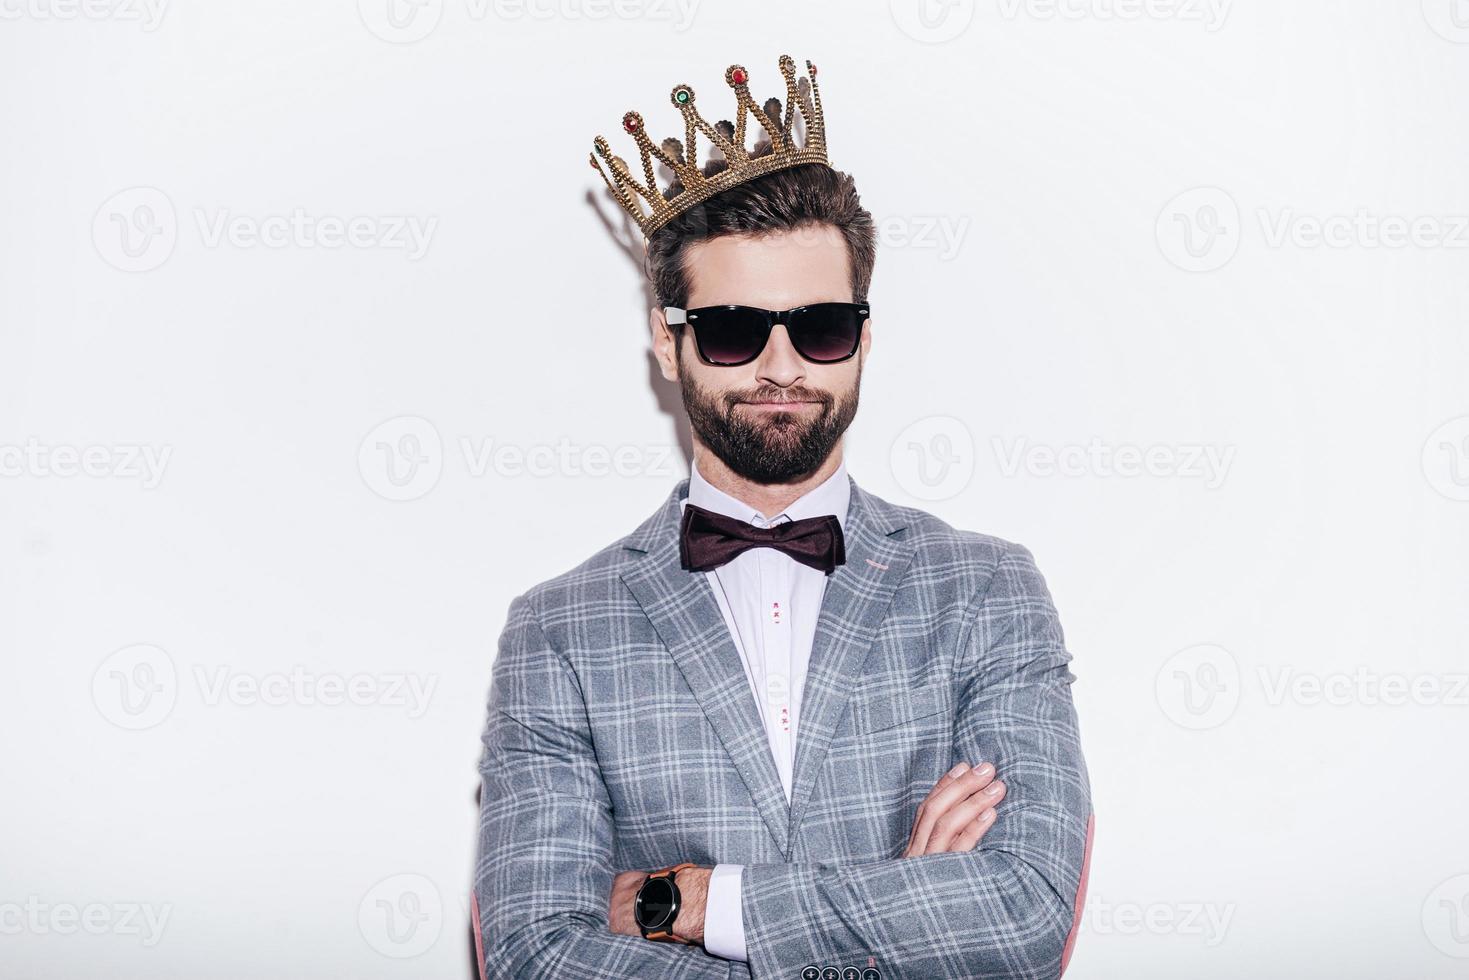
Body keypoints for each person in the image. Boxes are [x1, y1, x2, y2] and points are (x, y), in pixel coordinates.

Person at [472, 54, 1093, 980]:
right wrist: (903, 915)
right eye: (731, 329)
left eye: (820, 327)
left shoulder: (988, 589)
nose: (780, 366)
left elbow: (1025, 913)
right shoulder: (557, 631)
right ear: (666, 337)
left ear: (864, 338)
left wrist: (683, 901)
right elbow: (535, 954)